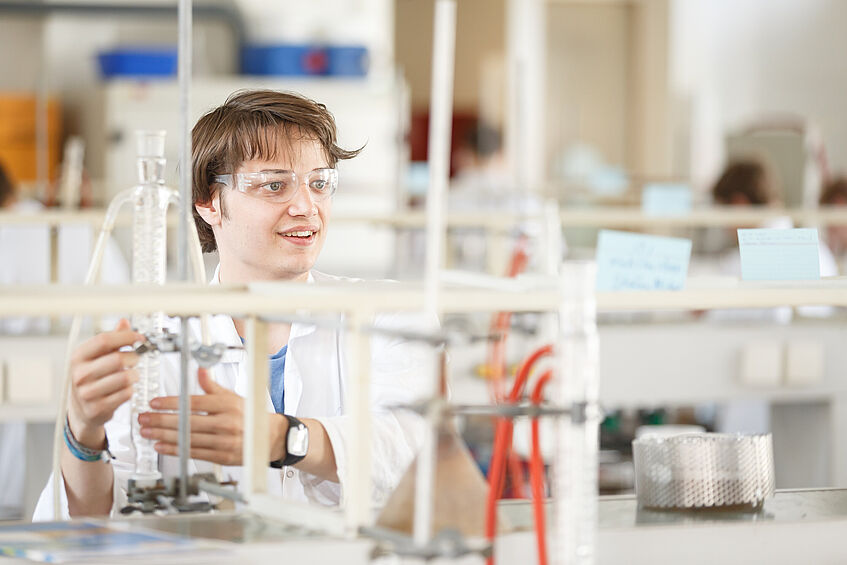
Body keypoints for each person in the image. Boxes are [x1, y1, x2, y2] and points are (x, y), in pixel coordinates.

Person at [34, 89, 432, 519]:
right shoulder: (153, 339)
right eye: (274, 185)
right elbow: (92, 519)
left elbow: (413, 449)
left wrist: (280, 437)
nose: (306, 207)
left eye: (319, 183)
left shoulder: (389, 314)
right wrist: (84, 434)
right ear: (208, 201)